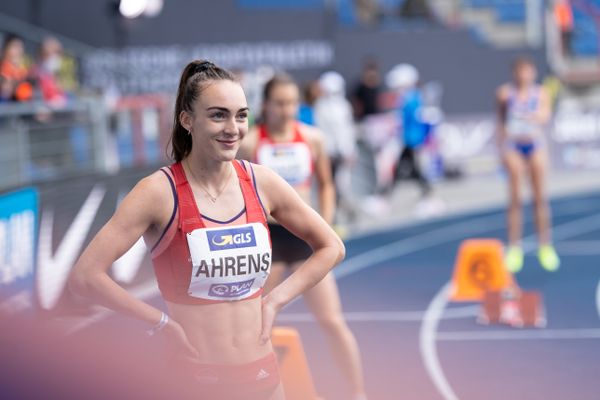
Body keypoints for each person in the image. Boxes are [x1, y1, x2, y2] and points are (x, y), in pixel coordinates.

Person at [69, 60, 345, 400]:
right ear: (188, 120)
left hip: (264, 377)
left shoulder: (263, 182)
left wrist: (275, 301)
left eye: (241, 115)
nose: (233, 128)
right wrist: (160, 323)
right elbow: (85, 276)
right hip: (193, 381)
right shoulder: (158, 192)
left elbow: (332, 246)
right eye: (218, 115)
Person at [239, 73, 367, 400]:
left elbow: (326, 183)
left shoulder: (312, 139)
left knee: (333, 322)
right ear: (266, 105)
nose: (287, 109)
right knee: (257, 327)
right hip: (269, 241)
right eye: (280, 103)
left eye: (292, 102)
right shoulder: (252, 142)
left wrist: (324, 221)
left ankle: (357, 393)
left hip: (305, 241)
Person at [496, 57, 560, 273]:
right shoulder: (505, 93)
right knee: (515, 199)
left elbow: (545, 115)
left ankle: (545, 245)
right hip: (514, 146)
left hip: (535, 145)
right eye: (521, 71)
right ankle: (514, 248)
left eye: (528, 71)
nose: (524, 75)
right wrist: (501, 150)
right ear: (515, 72)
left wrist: (533, 116)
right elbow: (501, 121)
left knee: (540, 198)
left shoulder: (541, 93)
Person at [0, 35, 33, 102]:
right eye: (15, 47)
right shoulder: (2, 68)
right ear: (5, 49)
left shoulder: (25, 69)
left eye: (21, 47)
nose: (19, 51)